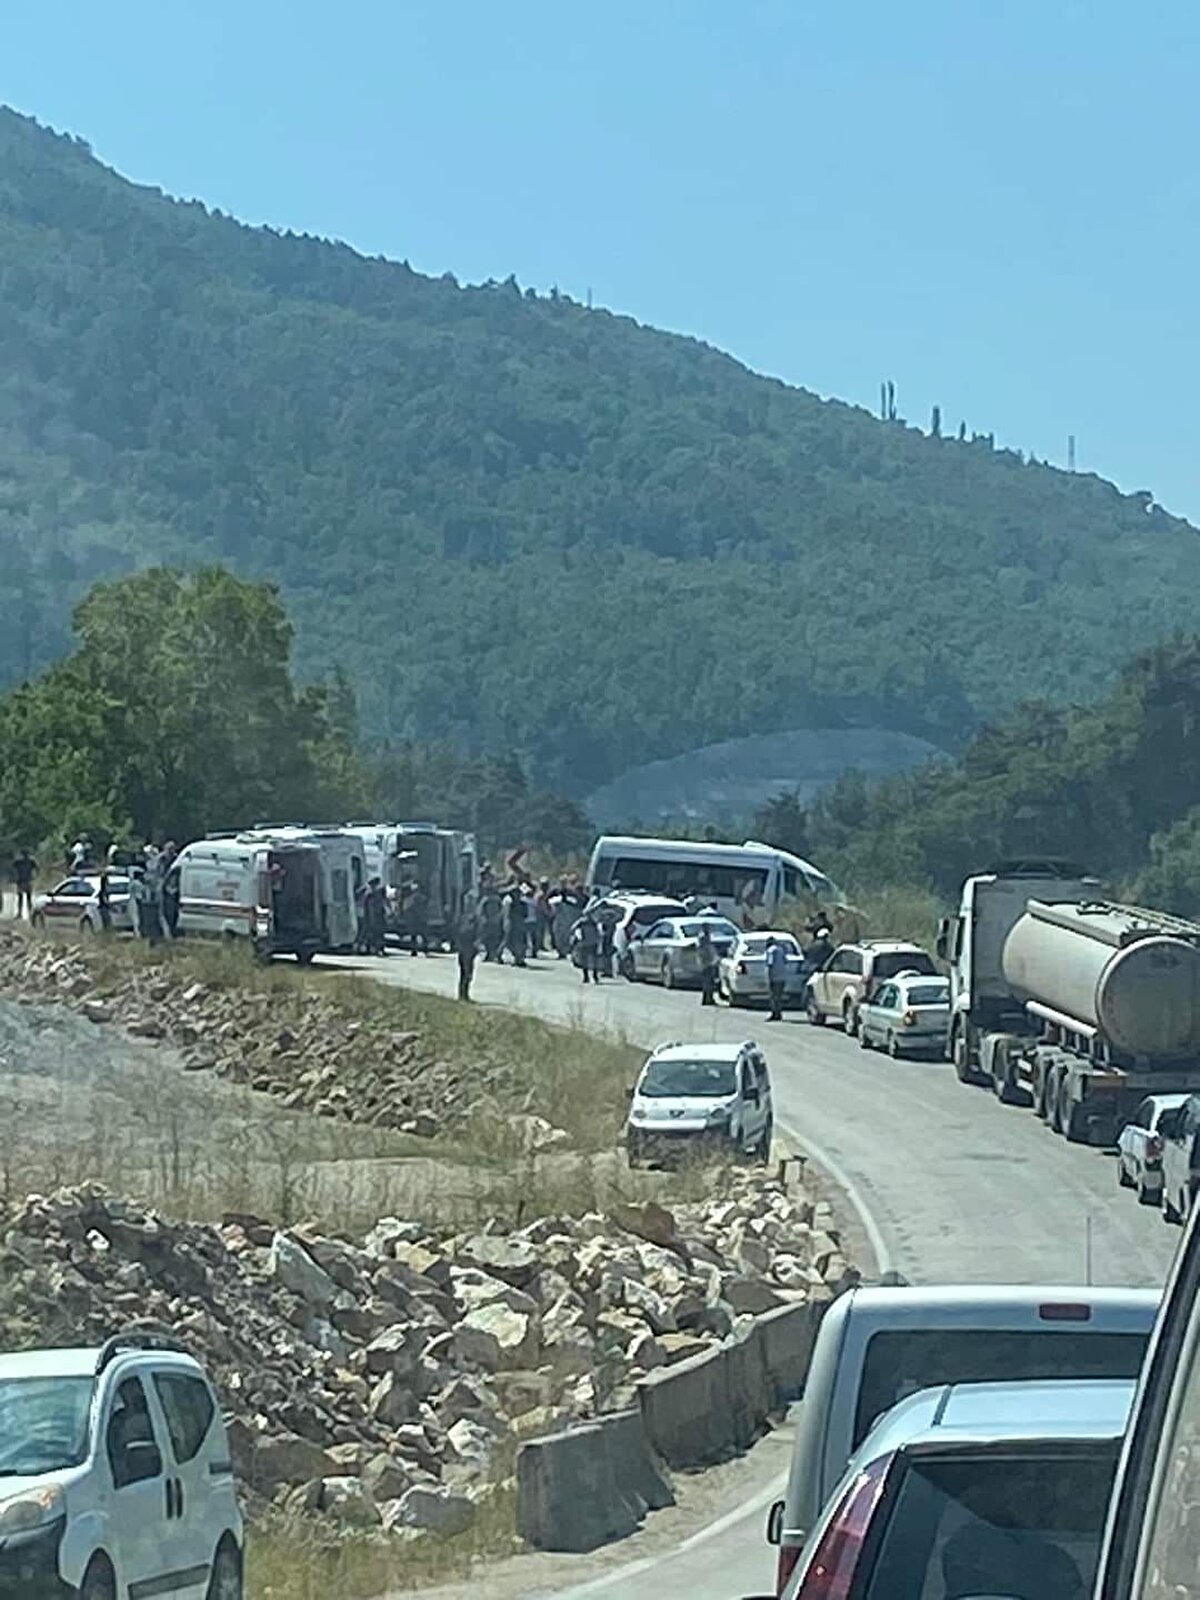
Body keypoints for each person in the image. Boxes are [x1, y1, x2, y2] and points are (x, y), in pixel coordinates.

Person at [455, 911, 480, 1001]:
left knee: (465, 975)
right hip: (466, 955)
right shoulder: (468, 931)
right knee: (466, 975)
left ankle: (463, 994)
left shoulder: (463, 930)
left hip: (465, 954)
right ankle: (463, 995)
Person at [361, 877, 387, 956]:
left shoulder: (371, 893)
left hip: (375, 917)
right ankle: (373, 949)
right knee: (373, 934)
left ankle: (377, 949)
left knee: (376, 934)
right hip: (372, 918)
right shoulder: (370, 894)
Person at [765, 935, 789, 1021]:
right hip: (782, 976)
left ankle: (775, 1014)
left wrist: (769, 977)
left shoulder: (770, 951)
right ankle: (778, 1013)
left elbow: (770, 964)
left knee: (773, 996)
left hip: (774, 977)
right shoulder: (781, 950)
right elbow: (786, 961)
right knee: (779, 996)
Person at [574, 911, 600, 983]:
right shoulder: (594, 922)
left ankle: (587, 977)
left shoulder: (580, 923)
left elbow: (576, 932)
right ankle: (593, 976)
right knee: (593, 960)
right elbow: (600, 932)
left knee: (585, 961)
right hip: (592, 943)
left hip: (585, 943)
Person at [405, 882, 430, 956]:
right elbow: (425, 907)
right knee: (423, 935)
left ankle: (414, 951)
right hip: (421, 919)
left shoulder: (409, 899)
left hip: (414, 920)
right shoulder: (423, 897)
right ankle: (425, 949)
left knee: (413, 936)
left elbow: (407, 909)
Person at [505, 887, 527, 967]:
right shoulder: (511, 904)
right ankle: (517, 958)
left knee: (521, 943)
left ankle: (520, 958)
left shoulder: (523, 904)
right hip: (513, 925)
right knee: (512, 943)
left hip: (520, 925)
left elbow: (525, 915)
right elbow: (509, 915)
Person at [697, 925, 719, 1006]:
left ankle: (708, 998)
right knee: (707, 982)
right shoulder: (703, 938)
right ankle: (707, 999)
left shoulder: (707, 937)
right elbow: (703, 951)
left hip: (709, 962)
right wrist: (707, 960)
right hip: (706, 963)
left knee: (710, 981)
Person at [12, 849, 35, 920]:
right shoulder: (30, 861)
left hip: (23, 881)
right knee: (26, 898)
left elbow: (13, 866)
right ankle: (28, 913)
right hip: (25, 881)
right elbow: (37, 868)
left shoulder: (19, 861)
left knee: (22, 898)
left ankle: (21, 913)